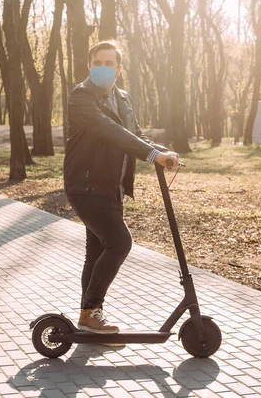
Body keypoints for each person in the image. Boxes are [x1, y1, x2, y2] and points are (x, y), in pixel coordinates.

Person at [64, 40, 180, 334]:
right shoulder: (81, 97)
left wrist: (162, 151)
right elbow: (109, 130)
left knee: (97, 251)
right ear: (89, 66)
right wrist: (152, 154)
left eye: (109, 63)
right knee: (119, 243)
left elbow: (134, 134)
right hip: (85, 186)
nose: (103, 68)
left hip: (111, 187)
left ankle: (89, 316)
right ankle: (91, 311)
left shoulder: (123, 98)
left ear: (119, 69)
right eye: (97, 63)